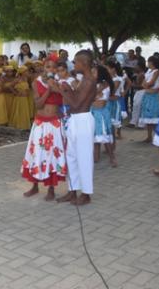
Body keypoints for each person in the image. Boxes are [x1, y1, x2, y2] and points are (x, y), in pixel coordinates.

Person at [21, 58, 67, 201]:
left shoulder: (62, 83)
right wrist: (49, 90)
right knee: (37, 154)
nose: (51, 70)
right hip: (40, 124)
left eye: (54, 67)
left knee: (52, 155)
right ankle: (34, 186)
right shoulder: (36, 82)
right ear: (43, 68)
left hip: (54, 124)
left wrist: (57, 89)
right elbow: (39, 105)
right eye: (48, 67)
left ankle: (51, 188)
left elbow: (67, 101)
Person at [57, 50, 97, 206]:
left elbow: (75, 103)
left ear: (84, 63)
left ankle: (86, 194)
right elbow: (76, 98)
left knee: (84, 158)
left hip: (83, 120)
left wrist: (62, 89)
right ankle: (72, 190)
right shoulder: (84, 80)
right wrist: (66, 88)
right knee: (71, 156)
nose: (74, 65)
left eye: (76, 62)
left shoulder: (89, 81)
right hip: (75, 120)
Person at [91, 65, 116, 167]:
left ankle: (112, 157)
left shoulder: (105, 84)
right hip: (93, 112)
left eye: (94, 72)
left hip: (101, 113)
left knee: (104, 136)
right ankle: (95, 157)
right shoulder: (94, 84)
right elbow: (90, 97)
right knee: (95, 136)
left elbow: (93, 97)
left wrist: (95, 94)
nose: (92, 74)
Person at [139, 56, 159, 142]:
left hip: (154, 96)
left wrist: (146, 84)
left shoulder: (157, 72)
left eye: (148, 61)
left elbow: (151, 83)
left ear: (152, 62)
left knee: (154, 117)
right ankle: (149, 136)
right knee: (148, 117)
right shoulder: (148, 71)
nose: (147, 63)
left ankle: (158, 135)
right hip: (148, 94)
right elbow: (143, 84)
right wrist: (146, 84)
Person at [129, 62, 146, 127]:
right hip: (138, 92)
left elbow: (142, 86)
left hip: (141, 91)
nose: (135, 67)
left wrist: (133, 85)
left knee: (138, 107)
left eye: (136, 66)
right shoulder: (137, 74)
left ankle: (139, 123)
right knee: (136, 107)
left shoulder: (142, 75)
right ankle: (134, 122)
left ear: (140, 67)